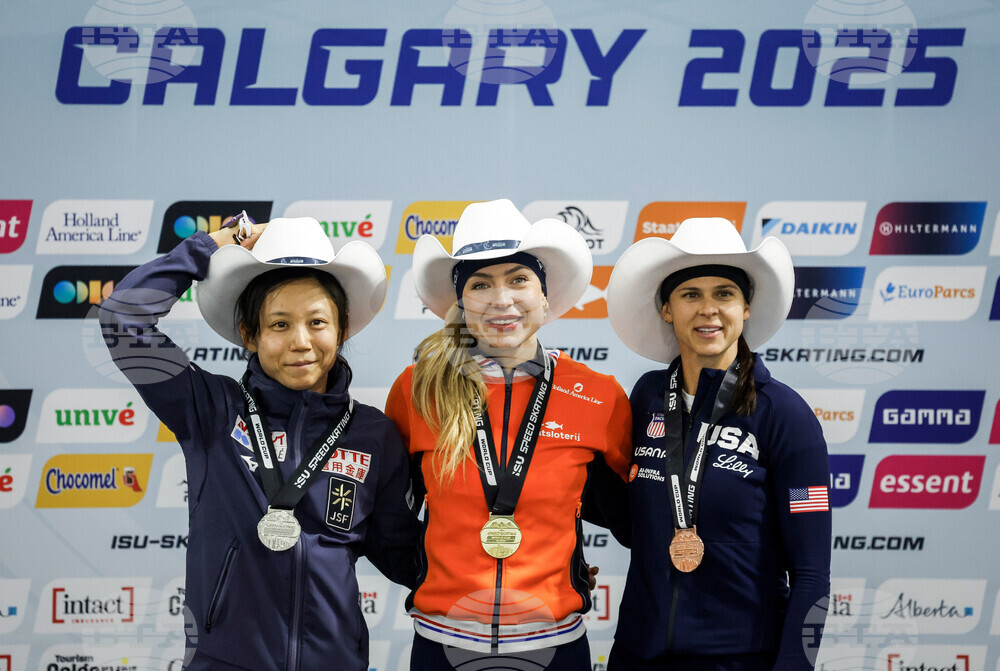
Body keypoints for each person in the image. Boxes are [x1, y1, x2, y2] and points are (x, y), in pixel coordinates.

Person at [99, 214, 420, 671]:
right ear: (250, 335)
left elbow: (404, 555)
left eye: (317, 322)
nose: (301, 342)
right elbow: (123, 318)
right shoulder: (211, 410)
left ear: (342, 328)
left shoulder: (373, 434)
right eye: (279, 325)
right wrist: (213, 244)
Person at [383, 199, 632, 670]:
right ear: (461, 303)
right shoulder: (417, 389)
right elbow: (386, 514)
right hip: (441, 644)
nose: (501, 300)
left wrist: (569, 570)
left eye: (518, 280)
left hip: (556, 647)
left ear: (545, 296)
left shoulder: (598, 394)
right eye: (480, 284)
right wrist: (427, 575)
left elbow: (636, 514)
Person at [603, 218, 831, 671]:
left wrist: (795, 665)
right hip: (637, 655)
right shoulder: (647, 397)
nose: (708, 310)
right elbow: (632, 525)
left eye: (724, 294)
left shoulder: (784, 414)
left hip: (739, 659)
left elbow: (811, 575)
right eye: (690, 295)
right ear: (667, 309)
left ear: (745, 308)